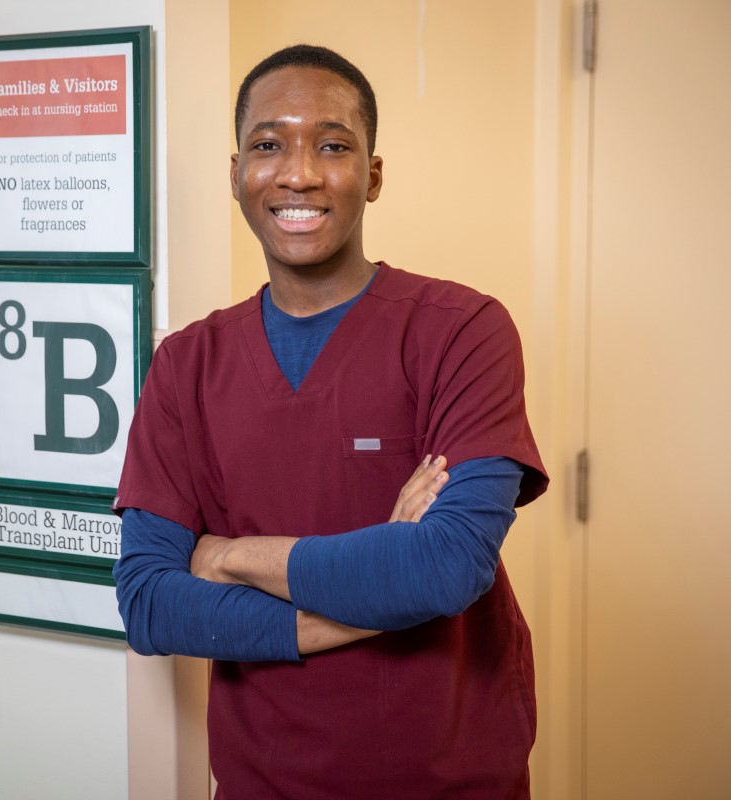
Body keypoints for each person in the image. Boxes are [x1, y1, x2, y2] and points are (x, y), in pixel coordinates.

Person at [113, 44, 548, 799]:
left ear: (373, 176)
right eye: (268, 145)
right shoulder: (187, 364)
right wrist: (382, 589)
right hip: (262, 783)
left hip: (451, 781)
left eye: (334, 146)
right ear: (236, 175)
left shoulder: (461, 331)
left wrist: (228, 556)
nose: (300, 173)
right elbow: (150, 603)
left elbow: (448, 567)